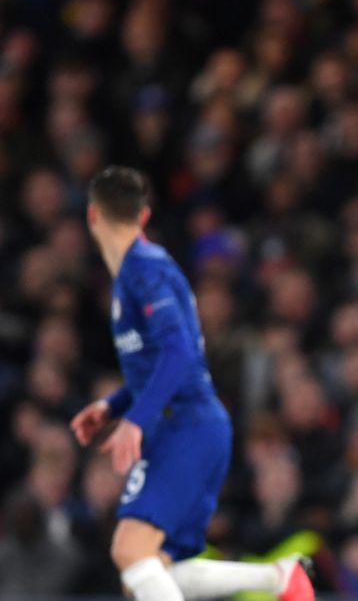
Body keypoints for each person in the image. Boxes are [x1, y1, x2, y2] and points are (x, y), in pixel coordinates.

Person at [70, 166, 314, 601]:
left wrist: (136, 420)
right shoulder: (136, 274)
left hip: (185, 425)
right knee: (150, 571)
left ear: (92, 216)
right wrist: (112, 407)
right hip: (186, 425)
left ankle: (278, 579)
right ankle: (279, 578)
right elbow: (160, 366)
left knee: (129, 550)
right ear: (143, 215)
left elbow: (180, 354)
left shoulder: (145, 270)